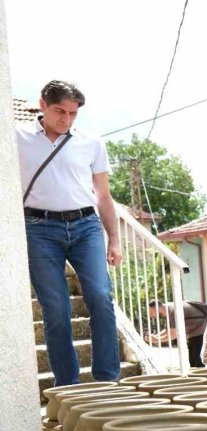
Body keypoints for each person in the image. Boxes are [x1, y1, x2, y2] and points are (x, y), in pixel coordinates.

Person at [18, 80, 122, 386]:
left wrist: (114, 239)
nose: (66, 119)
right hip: (38, 229)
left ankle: (107, 381)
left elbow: (103, 196)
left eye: (73, 113)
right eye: (59, 111)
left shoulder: (91, 143)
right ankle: (68, 387)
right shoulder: (16, 138)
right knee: (56, 309)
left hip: (86, 226)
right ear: (42, 105)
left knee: (101, 297)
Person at [145, 299, 207, 368]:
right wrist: (155, 336)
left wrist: (156, 340)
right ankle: (197, 376)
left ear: (157, 308)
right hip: (194, 333)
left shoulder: (174, 311)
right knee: (193, 361)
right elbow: (168, 329)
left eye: (152, 312)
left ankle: (202, 377)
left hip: (200, 331)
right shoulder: (170, 308)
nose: (152, 316)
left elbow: (174, 334)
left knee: (197, 361)